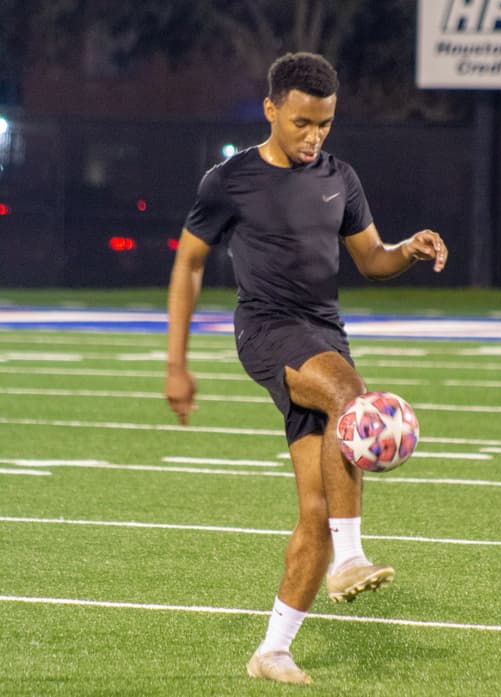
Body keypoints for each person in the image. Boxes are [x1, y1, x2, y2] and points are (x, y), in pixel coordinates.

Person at [165, 51, 448, 686]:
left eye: (324, 125)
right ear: (271, 110)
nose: (312, 136)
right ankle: (351, 558)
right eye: (300, 123)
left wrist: (408, 249)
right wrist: (176, 363)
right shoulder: (228, 181)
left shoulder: (340, 178)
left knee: (316, 508)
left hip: (324, 334)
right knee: (353, 395)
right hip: (265, 330)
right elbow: (187, 266)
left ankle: (272, 650)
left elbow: (372, 259)